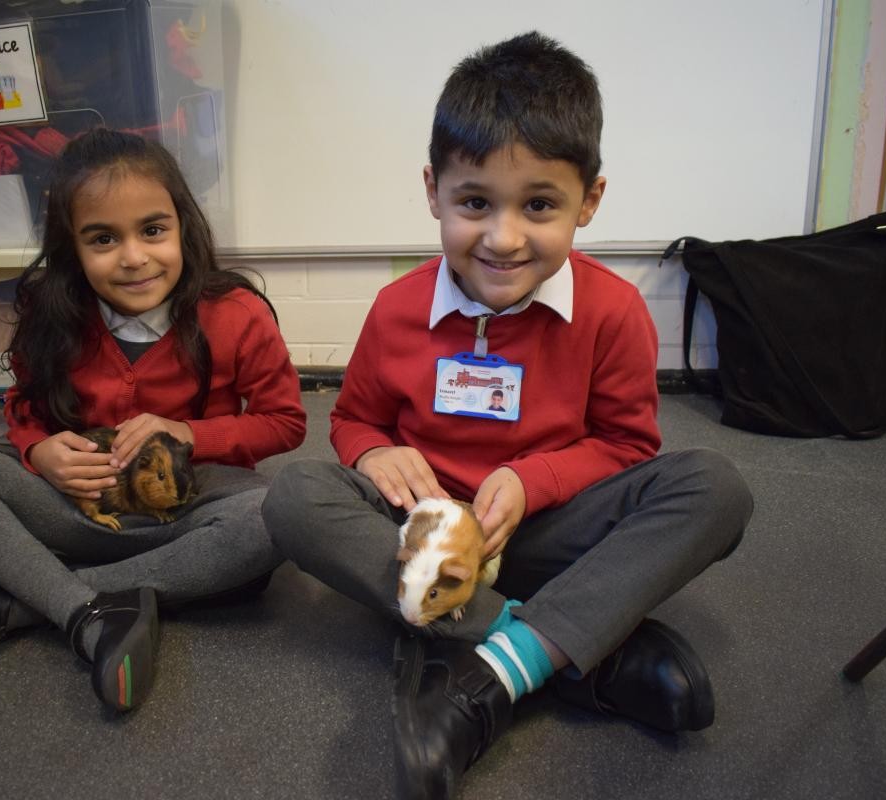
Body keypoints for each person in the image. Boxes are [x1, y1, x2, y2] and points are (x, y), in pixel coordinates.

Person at [262, 32, 752, 798]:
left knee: (715, 489)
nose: (502, 237)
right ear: (433, 191)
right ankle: (553, 649)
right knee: (292, 499)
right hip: (424, 536)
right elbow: (353, 421)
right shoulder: (395, 310)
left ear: (588, 200)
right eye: (473, 203)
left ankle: (485, 662)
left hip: (545, 532)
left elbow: (627, 444)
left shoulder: (613, 313)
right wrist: (367, 455)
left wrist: (534, 480)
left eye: (539, 205)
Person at [0, 128, 306, 713]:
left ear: (183, 225)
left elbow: (286, 422)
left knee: (276, 517)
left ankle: (42, 592)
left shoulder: (237, 314)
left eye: (153, 230)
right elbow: (22, 406)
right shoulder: (50, 311)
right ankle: (128, 588)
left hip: (185, 509)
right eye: (102, 239)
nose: (134, 257)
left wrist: (192, 433)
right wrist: (38, 451)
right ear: (72, 247)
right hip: (74, 505)